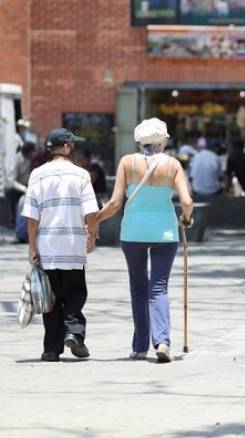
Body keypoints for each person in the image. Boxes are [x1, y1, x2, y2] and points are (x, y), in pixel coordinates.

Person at [94, 118, 194, 363]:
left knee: (139, 289)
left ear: (140, 140)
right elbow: (188, 202)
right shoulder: (173, 165)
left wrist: (94, 220)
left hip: (133, 233)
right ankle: (161, 342)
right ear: (162, 140)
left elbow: (115, 203)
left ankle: (140, 347)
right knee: (158, 287)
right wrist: (186, 218)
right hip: (165, 233)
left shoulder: (127, 163)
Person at [21, 129, 98, 362]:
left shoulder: (37, 175)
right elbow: (91, 212)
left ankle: (51, 350)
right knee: (75, 293)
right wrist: (91, 235)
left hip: (48, 249)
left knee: (50, 300)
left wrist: (32, 247)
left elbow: (32, 217)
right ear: (65, 147)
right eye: (71, 146)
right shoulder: (81, 175)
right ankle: (73, 331)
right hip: (73, 247)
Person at [5, 142, 35, 227]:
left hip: (29, 185)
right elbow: (11, 180)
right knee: (11, 192)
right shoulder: (17, 160)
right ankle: (13, 221)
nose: (33, 155)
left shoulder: (33, 159)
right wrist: (24, 189)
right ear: (27, 152)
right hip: (17, 186)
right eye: (32, 153)